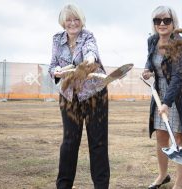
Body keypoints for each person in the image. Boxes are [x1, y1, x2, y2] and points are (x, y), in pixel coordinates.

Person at [48, 4, 110, 189]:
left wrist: (89, 61)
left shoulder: (88, 36)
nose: (73, 23)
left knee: (97, 143)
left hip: (94, 95)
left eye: (76, 19)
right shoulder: (57, 39)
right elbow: (52, 65)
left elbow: (91, 52)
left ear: (81, 21)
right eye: (69, 20)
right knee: (69, 143)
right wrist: (56, 71)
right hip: (69, 98)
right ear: (63, 22)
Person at [142, 6, 182, 189]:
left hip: (179, 95)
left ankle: (180, 181)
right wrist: (147, 70)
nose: (162, 24)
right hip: (159, 92)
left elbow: (178, 75)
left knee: (178, 138)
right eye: (157, 21)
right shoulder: (152, 40)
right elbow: (150, 60)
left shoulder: (180, 43)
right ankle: (162, 175)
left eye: (166, 20)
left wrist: (167, 103)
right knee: (161, 136)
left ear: (173, 22)